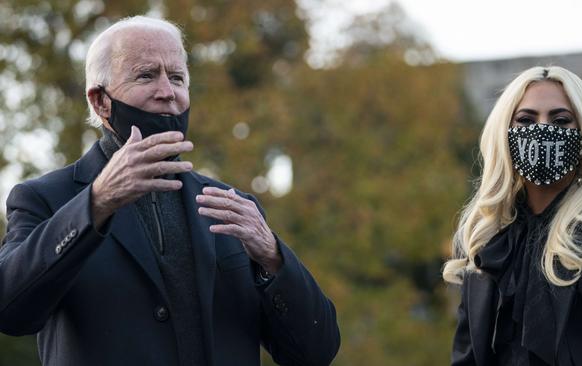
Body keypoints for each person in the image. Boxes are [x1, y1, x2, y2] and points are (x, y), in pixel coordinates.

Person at [0, 16, 339, 366]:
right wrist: (97, 202)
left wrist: (272, 256)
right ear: (101, 101)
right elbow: (11, 310)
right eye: (146, 75)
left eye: (177, 77)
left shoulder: (233, 208)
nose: (168, 91)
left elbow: (316, 352)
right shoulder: (45, 198)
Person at [443, 66, 582, 365]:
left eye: (561, 120)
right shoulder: (485, 239)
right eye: (526, 120)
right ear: (504, 134)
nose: (542, 130)